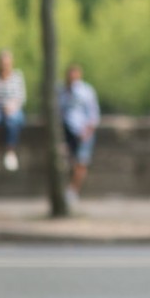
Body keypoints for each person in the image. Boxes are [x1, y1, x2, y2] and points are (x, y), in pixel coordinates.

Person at [58, 63, 100, 205]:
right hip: (67, 132)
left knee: (81, 162)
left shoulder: (86, 91)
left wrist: (87, 131)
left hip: (83, 132)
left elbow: (94, 115)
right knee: (68, 162)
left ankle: (73, 191)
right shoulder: (61, 92)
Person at [0, 49, 26, 173]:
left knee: (13, 119)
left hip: (12, 108)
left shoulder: (17, 76)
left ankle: (10, 151)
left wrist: (12, 105)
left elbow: (21, 96)